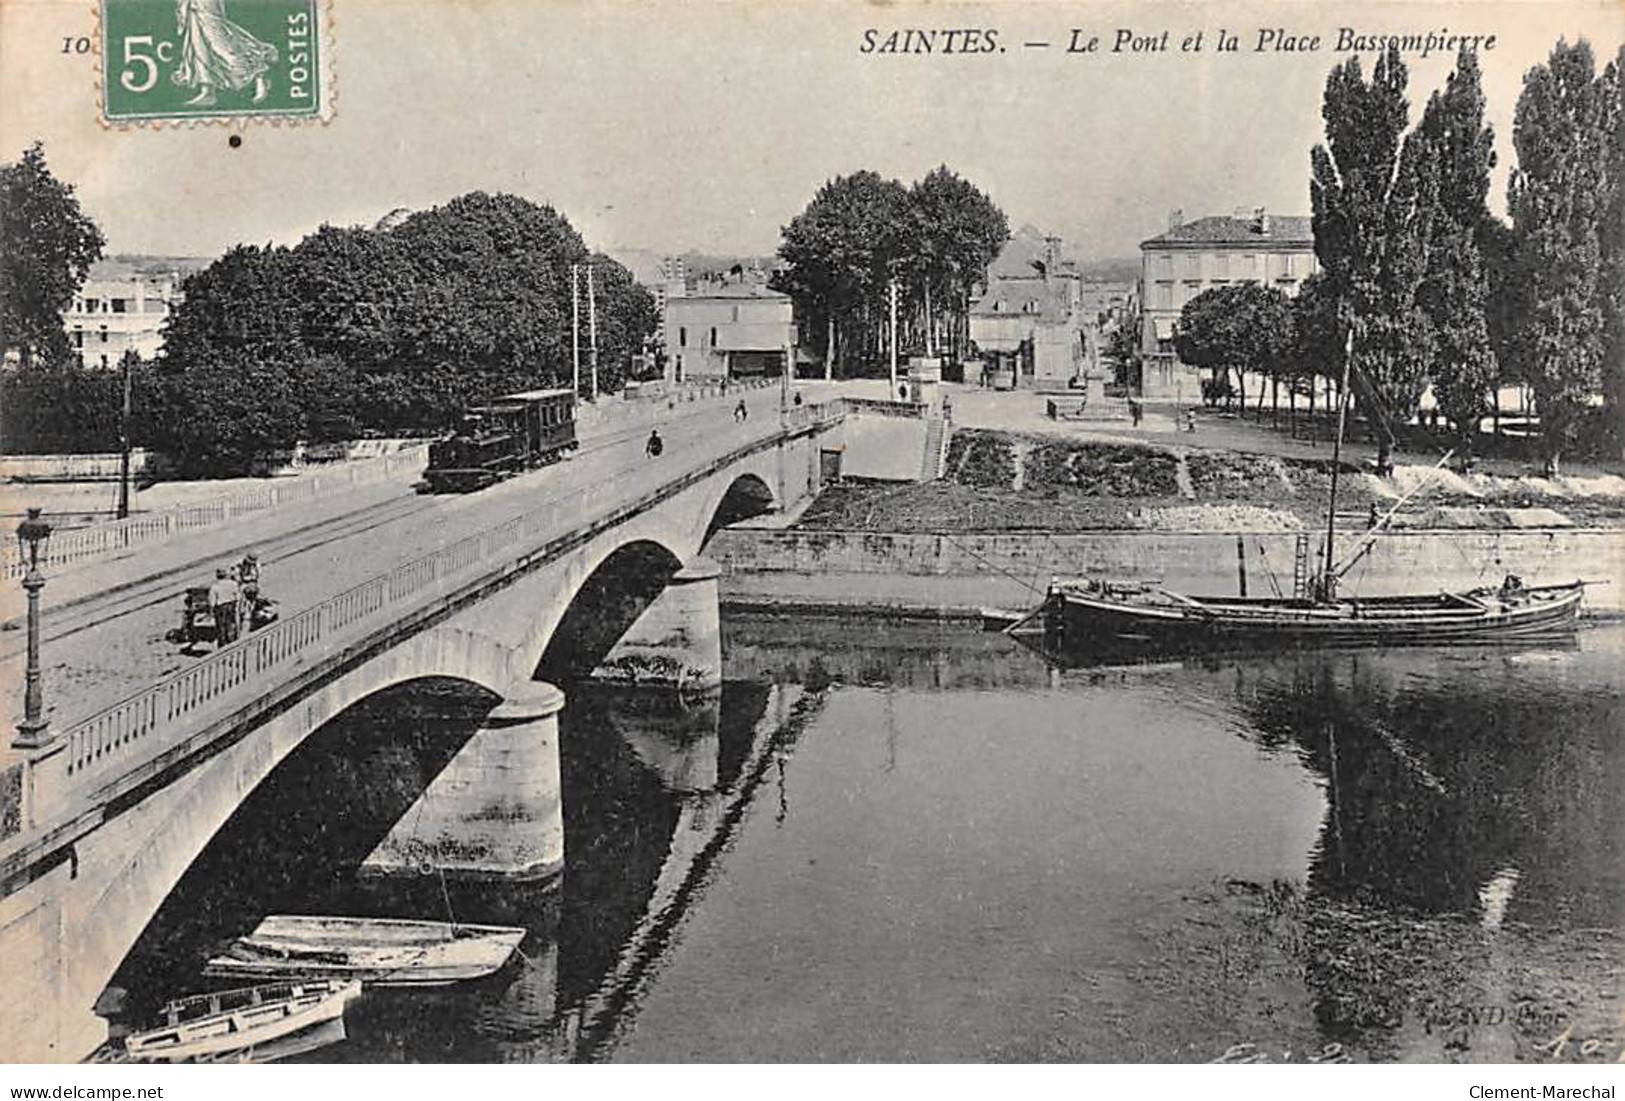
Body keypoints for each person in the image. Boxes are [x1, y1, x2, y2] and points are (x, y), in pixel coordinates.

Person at [209, 567, 239, 645]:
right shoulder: (233, 583)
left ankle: (223, 642)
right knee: (231, 623)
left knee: (221, 626)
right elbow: (237, 595)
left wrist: (211, 611)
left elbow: (212, 601)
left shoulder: (215, 586)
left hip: (221, 607)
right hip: (231, 605)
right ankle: (232, 640)